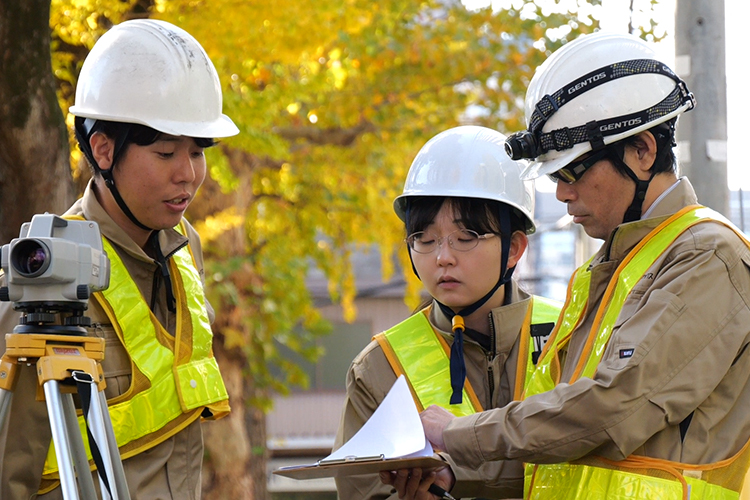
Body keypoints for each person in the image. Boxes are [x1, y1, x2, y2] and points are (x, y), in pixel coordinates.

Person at [383, 31, 750, 500]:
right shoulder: (616, 268)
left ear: (642, 150)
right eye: (555, 177)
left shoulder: (707, 258)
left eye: (573, 171)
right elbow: (572, 447)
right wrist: (459, 475)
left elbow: (611, 408)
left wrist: (460, 434)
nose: (561, 193)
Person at [0, 19, 238, 499]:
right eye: (167, 151)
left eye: (197, 151)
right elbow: (10, 473)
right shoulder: (44, 278)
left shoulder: (184, 246)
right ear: (104, 150)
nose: (188, 174)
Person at [335, 125, 561, 499]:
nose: (442, 257)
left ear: (514, 248)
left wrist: (459, 474)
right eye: (424, 238)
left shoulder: (572, 334)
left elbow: (593, 453)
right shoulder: (380, 367)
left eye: (465, 237)